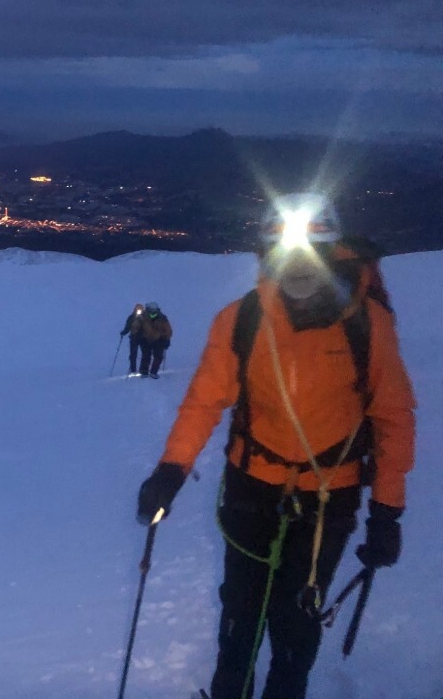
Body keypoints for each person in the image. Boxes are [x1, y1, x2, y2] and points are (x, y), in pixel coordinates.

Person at [135, 192, 415, 699]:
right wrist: (170, 471)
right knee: (242, 611)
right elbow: (203, 401)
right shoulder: (241, 319)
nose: (298, 269)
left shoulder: (367, 323)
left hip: (329, 498)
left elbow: (392, 417)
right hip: (252, 489)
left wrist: (387, 512)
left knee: (297, 619)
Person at [137, 302, 172, 377]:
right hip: (145, 339)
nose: (152, 312)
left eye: (154, 310)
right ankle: (144, 371)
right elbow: (136, 327)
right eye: (150, 310)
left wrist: (167, 339)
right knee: (146, 355)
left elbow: (168, 329)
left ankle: (153, 372)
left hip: (159, 339)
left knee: (158, 355)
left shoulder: (162, 318)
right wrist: (136, 336)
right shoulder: (142, 317)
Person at [120, 303, 145, 374]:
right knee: (133, 354)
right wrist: (124, 332)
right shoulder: (131, 317)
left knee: (144, 354)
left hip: (143, 338)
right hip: (134, 337)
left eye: (140, 309)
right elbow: (128, 327)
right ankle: (133, 369)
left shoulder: (145, 318)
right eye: (138, 309)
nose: (139, 310)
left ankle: (143, 369)